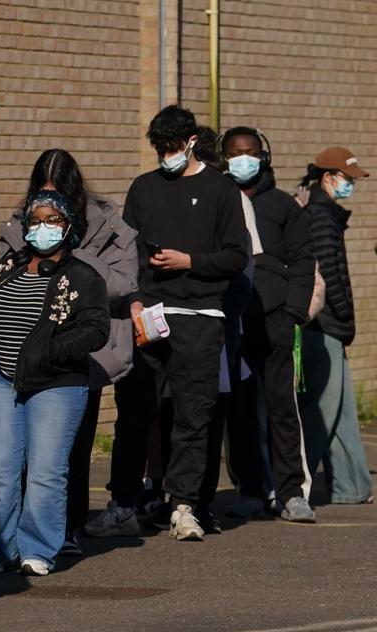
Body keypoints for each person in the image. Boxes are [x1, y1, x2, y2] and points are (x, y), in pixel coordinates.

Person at [106, 105, 249, 542]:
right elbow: (125, 254)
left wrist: (191, 261)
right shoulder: (144, 188)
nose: (165, 155)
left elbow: (236, 255)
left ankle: (184, 506)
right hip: (148, 316)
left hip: (201, 317)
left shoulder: (221, 191)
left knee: (193, 417)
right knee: (133, 414)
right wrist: (132, 302)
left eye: (172, 147)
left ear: (190, 143)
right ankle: (123, 505)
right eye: (159, 148)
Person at [0, 149, 137, 555]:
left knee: (68, 448)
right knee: (15, 452)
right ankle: (11, 532)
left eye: (59, 197)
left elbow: (124, 283)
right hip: (26, 348)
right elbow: (2, 281)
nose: (48, 207)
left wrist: (72, 259)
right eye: (42, 193)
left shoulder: (109, 226)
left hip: (81, 353)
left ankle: (66, 528)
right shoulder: (22, 223)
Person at [0, 189, 109, 575]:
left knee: (45, 470)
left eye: (53, 220)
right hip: (4, 382)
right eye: (36, 220)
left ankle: (38, 549)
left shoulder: (82, 276)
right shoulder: (5, 267)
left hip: (57, 385)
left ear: (69, 226)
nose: (43, 228)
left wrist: (51, 351)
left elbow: (96, 330)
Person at [219, 127, 318, 523]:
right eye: (235, 152)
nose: (244, 158)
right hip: (234, 323)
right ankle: (251, 489)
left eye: (251, 152)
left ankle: (291, 492)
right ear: (223, 158)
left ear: (264, 156)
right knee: (239, 411)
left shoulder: (281, 206)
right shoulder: (219, 202)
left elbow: (303, 260)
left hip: (275, 320)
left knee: (281, 410)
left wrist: (294, 312)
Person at [299, 147, 373, 505]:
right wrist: (343, 311)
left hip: (330, 325)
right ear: (328, 178)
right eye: (347, 179)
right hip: (323, 325)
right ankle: (294, 485)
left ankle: (353, 486)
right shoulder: (321, 216)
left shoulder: (326, 213)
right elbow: (328, 271)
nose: (351, 187)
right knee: (322, 410)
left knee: (341, 409)